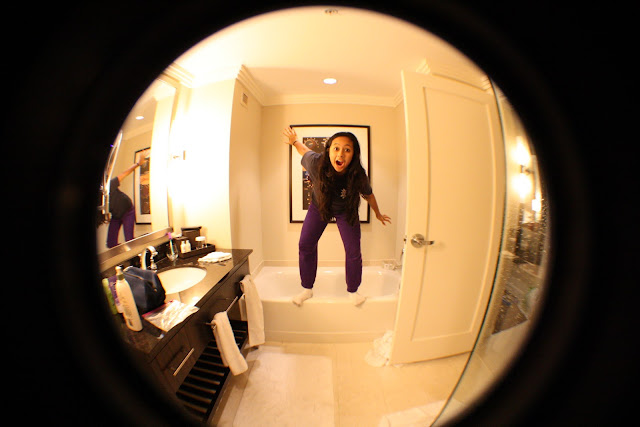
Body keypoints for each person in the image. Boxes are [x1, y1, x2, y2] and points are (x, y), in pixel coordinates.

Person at [283, 126, 391, 306]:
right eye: (336, 148)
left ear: (353, 154)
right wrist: (294, 140)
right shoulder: (316, 163)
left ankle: (353, 291)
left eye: (347, 150)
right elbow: (303, 149)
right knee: (305, 244)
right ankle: (307, 288)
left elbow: (369, 195)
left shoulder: (358, 174)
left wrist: (378, 213)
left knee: (353, 252)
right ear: (329, 151)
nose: (340, 154)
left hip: (346, 211)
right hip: (319, 207)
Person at [106, 149, 149, 248]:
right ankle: (124, 253)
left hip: (127, 210)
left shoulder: (109, 185)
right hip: (116, 215)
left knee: (129, 240)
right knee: (110, 244)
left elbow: (124, 173)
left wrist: (138, 164)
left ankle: (140, 250)